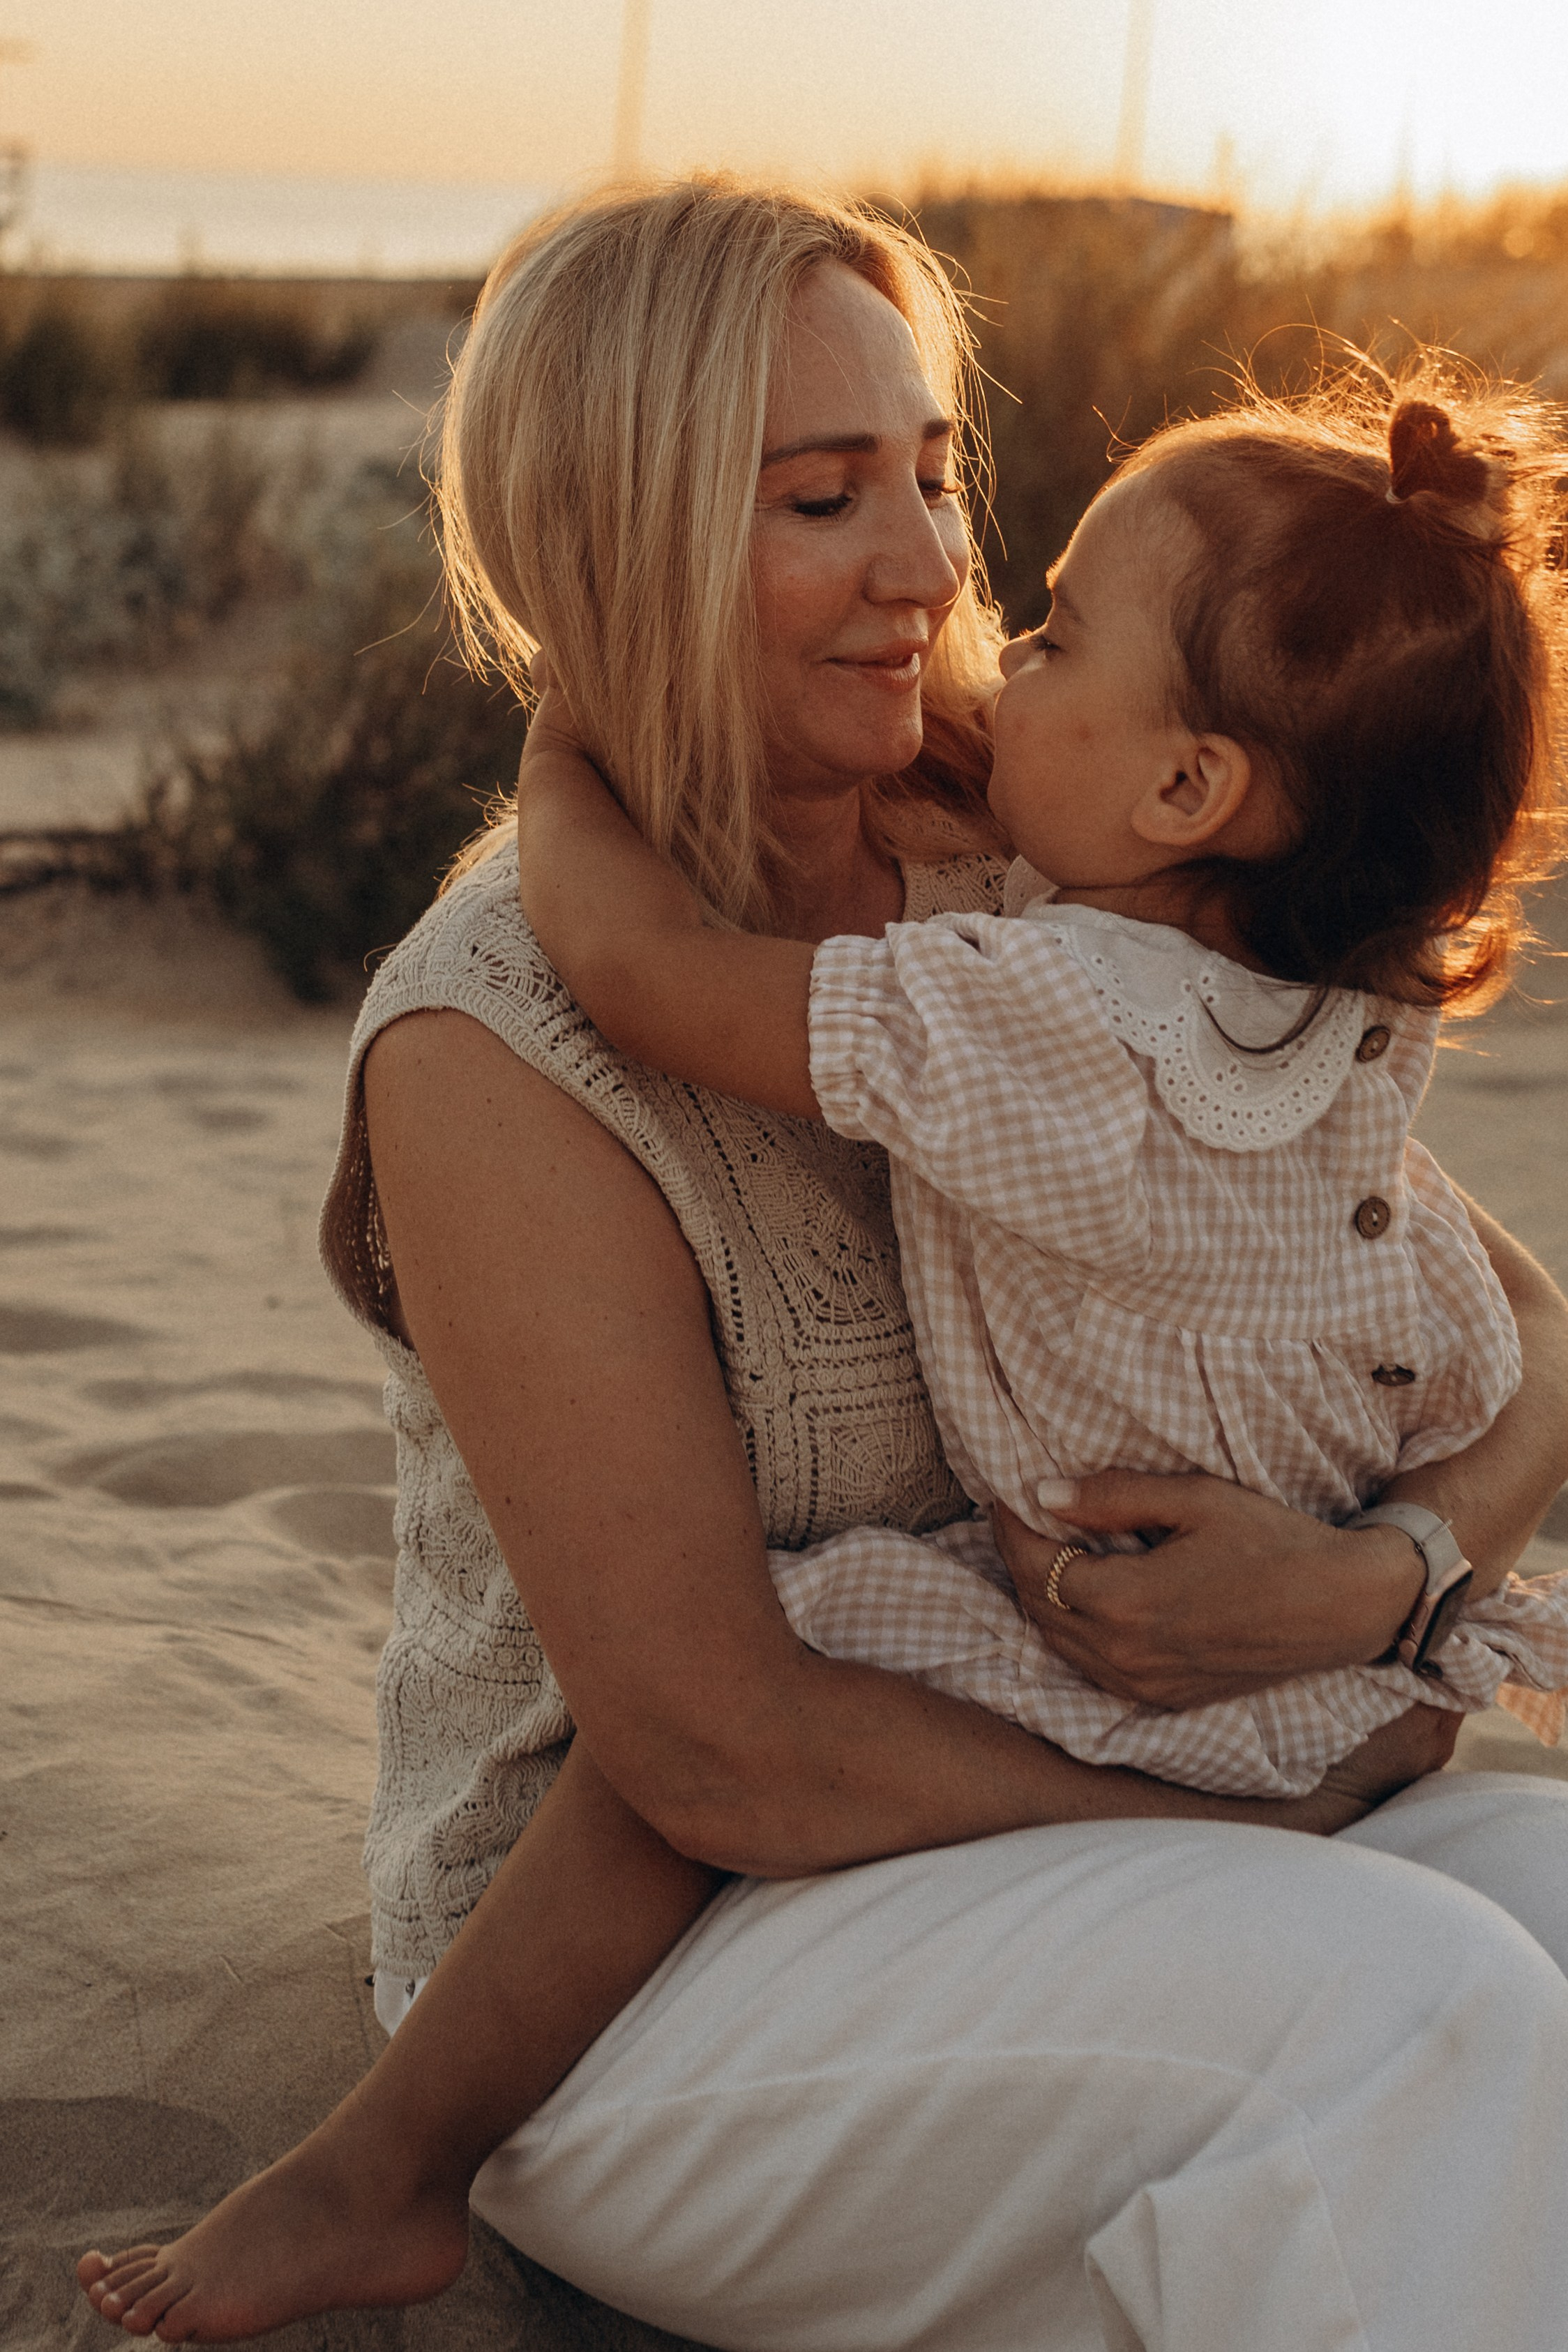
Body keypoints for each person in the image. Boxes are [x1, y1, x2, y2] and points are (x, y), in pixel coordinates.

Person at [78, 179, 1568, 2352]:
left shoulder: (1044, 846)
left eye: (939, 471)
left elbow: (1513, 1318)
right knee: (1410, 2000)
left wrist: (1385, 1584)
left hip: (1068, 1809)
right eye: (823, 494)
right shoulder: (500, 1035)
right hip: (642, 1977)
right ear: (625, 539)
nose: (931, 567)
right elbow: (716, 1752)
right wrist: (1239, 1782)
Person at [509, 372, 1568, 1799]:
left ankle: (448, 2042)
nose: (994, 653)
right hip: (1335, 1645)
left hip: (1110, 1651)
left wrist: (561, 745)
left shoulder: (1028, 1016)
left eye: (1053, 642)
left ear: (1185, 794)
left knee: (650, 1787)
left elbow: (642, 971)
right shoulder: (1334, 1017)